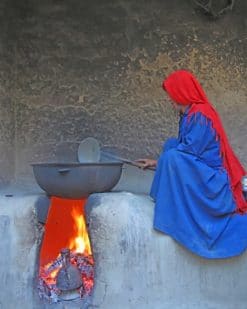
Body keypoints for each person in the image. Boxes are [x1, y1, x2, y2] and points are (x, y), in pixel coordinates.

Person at [137, 70, 247, 259]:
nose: (169, 100)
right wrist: (156, 162)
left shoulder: (200, 114)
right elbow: (183, 149)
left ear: (182, 92)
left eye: (172, 95)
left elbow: (188, 152)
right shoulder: (189, 114)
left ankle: (171, 213)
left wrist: (161, 162)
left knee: (172, 155)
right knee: (171, 146)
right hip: (201, 168)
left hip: (213, 177)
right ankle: (165, 199)